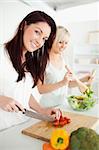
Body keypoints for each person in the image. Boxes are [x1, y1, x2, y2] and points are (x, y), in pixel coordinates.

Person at [0, 11, 61, 130]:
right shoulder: (1, 54)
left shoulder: (30, 61)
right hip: (3, 128)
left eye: (44, 38)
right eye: (37, 32)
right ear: (24, 25)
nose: (39, 42)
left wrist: (42, 110)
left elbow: (24, 92)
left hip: (23, 126)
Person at [37, 26, 94, 107]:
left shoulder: (64, 59)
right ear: (52, 40)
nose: (64, 46)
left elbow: (67, 84)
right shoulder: (42, 61)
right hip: (47, 107)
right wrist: (62, 83)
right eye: (60, 42)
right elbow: (40, 89)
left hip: (63, 105)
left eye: (66, 43)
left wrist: (83, 79)